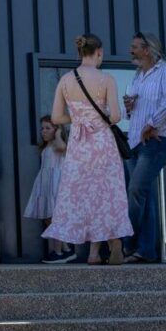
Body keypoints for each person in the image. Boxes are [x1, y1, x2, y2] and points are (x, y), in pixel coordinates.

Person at [47, 33, 133, 265]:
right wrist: (98, 116)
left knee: (82, 195)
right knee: (105, 195)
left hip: (79, 145)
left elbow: (55, 117)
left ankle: (93, 253)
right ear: (99, 53)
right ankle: (108, 244)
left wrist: (77, 118)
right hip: (102, 143)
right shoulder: (107, 80)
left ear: (79, 53)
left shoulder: (65, 80)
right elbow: (115, 116)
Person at [122, 32, 166, 263]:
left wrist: (152, 124)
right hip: (135, 140)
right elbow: (130, 111)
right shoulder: (137, 77)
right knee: (145, 195)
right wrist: (128, 106)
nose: (131, 51)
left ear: (147, 49)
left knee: (135, 190)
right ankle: (145, 251)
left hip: (156, 140)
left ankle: (126, 242)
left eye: (135, 47)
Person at [23, 116, 71, 263]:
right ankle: (67, 249)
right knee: (47, 218)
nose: (43, 131)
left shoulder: (58, 145)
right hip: (45, 184)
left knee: (56, 218)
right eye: (42, 128)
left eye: (48, 128)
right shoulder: (46, 147)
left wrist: (57, 134)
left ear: (56, 130)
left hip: (55, 185)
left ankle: (58, 251)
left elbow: (62, 148)